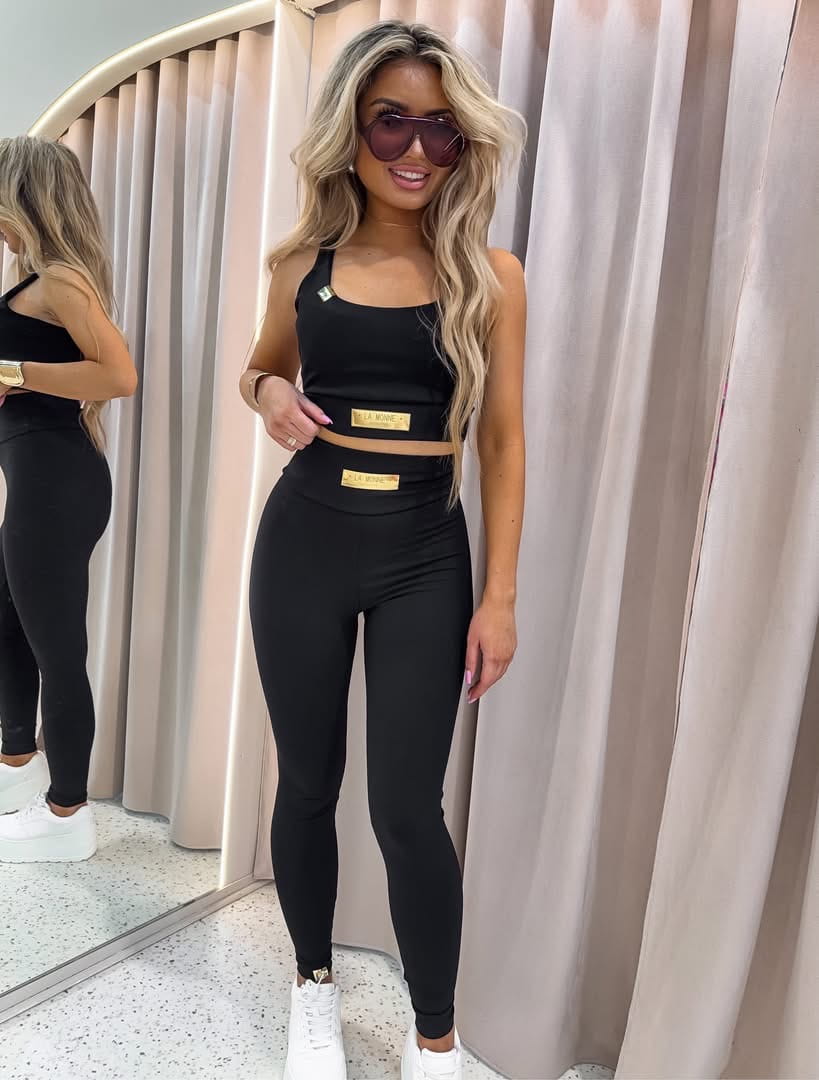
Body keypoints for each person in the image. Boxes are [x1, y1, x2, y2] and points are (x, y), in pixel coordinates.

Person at [240, 20, 526, 1080]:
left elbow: (502, 441)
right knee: (307, 783)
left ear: (465, 144)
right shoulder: (301, 265)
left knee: (408, 808)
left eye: (441, 129)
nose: (415, 149)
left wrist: (499, 598)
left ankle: (433, 1039)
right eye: (389, 121)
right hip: (304, 541)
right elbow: (259, 368)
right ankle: (312, 989)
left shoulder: (491, 276)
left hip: (424, 553)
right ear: (349, 131)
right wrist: (269, 392)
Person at [0, 136, 137, 862]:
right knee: (10, 624)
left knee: (57, 650)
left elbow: (118, 376)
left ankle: (67, 815)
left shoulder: (60, 280)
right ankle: (16, 761)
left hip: (56, 483)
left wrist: (13, 372)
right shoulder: (35, 278)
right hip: (40, 477)